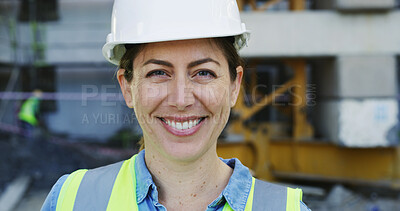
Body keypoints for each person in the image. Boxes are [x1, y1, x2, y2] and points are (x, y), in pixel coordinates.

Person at [41, 0, 310, 210]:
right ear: (127, 88)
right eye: (158, 73)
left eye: (203, 73)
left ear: (233, 86)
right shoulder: (71, 200)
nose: (181, 100)